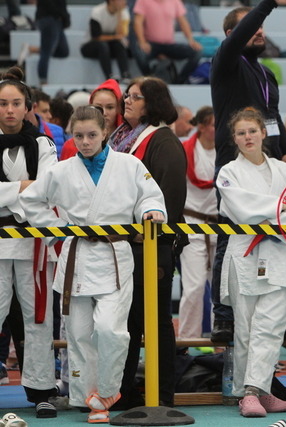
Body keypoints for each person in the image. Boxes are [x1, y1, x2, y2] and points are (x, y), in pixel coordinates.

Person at [20, 105, 166, 424]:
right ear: (71, 136)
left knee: (111, 329)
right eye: (78, 136)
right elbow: (30, 200)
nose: (85, 142)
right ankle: (91, 399)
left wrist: (151, 211)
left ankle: (109, 390)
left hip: (115, 256)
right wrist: (56, 230)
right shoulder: (61, 170)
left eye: (91, 135)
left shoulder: (128, 164)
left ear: (104, 133)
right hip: (77, 256)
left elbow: (150, 195)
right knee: (79, 333)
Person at [209, 0, 286, 343]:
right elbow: (241, 34)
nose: (259, 31)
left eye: (261, 27)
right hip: (234, 162)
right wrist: (269, 4)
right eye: (251, 27)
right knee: (230, 233)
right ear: (232, 34)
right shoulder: (225, 62)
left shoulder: (266, 74)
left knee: (275, 231)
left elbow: (272, 116)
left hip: (269, 164)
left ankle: (280, 309)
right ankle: (223, 316)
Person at [108, 77, 187, 409]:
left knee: (155, 323)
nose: (127, 100)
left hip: (151, 247)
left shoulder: (163, 141)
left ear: (152, 103)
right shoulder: (121, 139)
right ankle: (122, 394)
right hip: (123, 246)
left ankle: (163, 397)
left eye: (135, 96)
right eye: (127, 95)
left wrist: (148, 235)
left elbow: (170, 199)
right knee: (126, 324)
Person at [217, 108, 286, 417]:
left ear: (264, 133)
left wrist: (277, 213)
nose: (248, 137)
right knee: (247, 328)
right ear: (234, 139)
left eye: (252, 131)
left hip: (278, 253)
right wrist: (280, 209)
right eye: (241, 133)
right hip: (244, 255)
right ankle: (252, 392)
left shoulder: (284, 170)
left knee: (272, 326)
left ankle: (255, 390)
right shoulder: (228, 172)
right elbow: (241, 210)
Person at [0, 66, 58, 418]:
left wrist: (10, 195)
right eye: (2, 103)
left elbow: (46, 190)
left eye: (15, 103)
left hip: (32, 241)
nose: (9, 109)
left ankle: (41, 390)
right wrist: (22, 188)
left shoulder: (42, 144)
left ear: (27, 107)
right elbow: (32, 190)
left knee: (38, 319)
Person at [178, 106, 217, 340]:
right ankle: (185, 341)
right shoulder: (184, 151)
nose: (218, 130)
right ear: (201, 127)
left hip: (220, 226)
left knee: (221, 291)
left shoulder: (226, 152)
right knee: (194, 288)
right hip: (192, 224)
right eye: (214, 125)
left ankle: (221, 342)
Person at [132, 0, 202, 84]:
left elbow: (183, 22)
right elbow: (138, 22)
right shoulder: (143, 1)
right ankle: (150, 79)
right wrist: (142, 42)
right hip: (151, 45)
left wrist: (191, 40)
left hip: (169, 45)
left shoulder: (175, 1)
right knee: (139, 52)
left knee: (197, 52)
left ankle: (180, 80)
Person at [60, 79, 123, 161]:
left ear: (118, 109)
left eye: (110, 107)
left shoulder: (128, 143)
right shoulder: (70, 146)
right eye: (98, 107)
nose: (104, 113)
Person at [81, 0, 132, 82]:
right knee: (103, 45)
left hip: (110, 46)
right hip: (90, 46)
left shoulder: (124, 12)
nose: (124, 2)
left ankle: (125, 74)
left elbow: (121, 35)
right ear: (111, 1)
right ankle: (109, 76)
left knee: (119, 45)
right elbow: (96, 36)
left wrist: (119, 15)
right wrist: (114, 37)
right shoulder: (97, 11)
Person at [35, 0, 70, 86]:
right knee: (46, 52)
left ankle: (33, 49)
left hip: (57, 19)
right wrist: (63, 16)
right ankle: (43, 81)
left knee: (63, 51)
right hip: (49, 18)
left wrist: (64, 19)